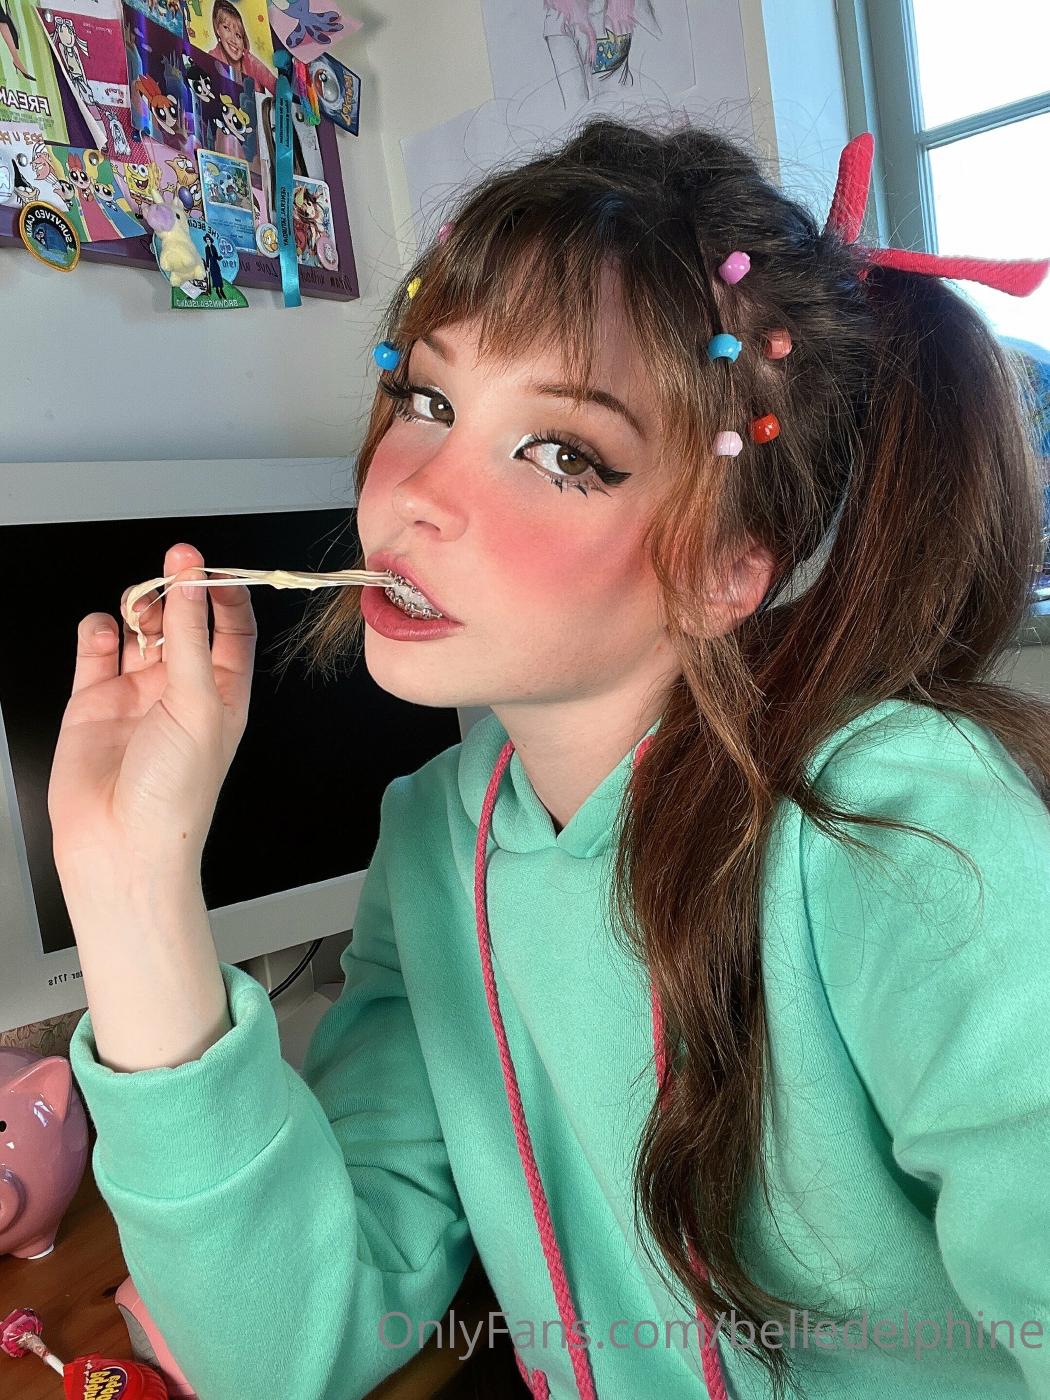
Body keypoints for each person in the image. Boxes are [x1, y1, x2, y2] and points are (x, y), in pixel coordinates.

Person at [48, 116, 1050, 1400]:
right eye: (426, 399)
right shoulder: (433, 837)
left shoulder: (900, 820)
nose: (416, 491)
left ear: (725, 568)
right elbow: (288, 1347)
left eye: (561, 451)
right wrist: (128, 881)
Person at [206, 0, 274, 94]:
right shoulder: (211, 59)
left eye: (238, 35)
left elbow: (276, 86)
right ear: (218, 30)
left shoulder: (251, 62)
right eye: (226, 28)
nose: (233, 40)